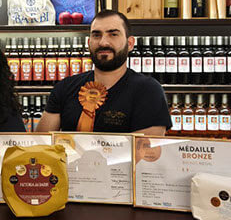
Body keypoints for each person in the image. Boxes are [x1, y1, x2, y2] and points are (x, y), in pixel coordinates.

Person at [36, 10, 171, 134]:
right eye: (97, 35)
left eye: (113, 34)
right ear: (89, 43)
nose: (103, 42)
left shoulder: (148, 91)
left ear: (130, 44)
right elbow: (41, 142)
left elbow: (147, 148)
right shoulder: (64, 88)